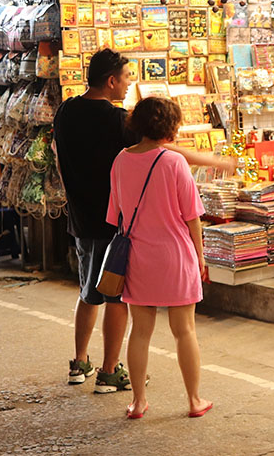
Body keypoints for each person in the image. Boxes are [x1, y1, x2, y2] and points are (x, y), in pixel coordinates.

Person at [54, 48, 233, 392]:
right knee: (116, 297)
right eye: (125, 78)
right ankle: (109, 370)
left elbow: (58, 158)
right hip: (114, 225)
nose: (128, 85)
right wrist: (211, 160)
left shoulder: (65, 111)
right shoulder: (115, 119)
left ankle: (79, 362)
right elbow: (163, 150)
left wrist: (71, 196)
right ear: (110, 81)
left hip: (80, 217)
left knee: (88, 290)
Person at [106, 97, 212, 420]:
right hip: (176, 257)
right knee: (185, 331)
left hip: (138, 258)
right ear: (169, 126)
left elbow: (116, 216)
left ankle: (138, 402)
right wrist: (201, 257)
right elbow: (192, 217)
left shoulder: (120, 161)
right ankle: (194, 400)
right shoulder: (174, 162)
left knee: (140, 331)